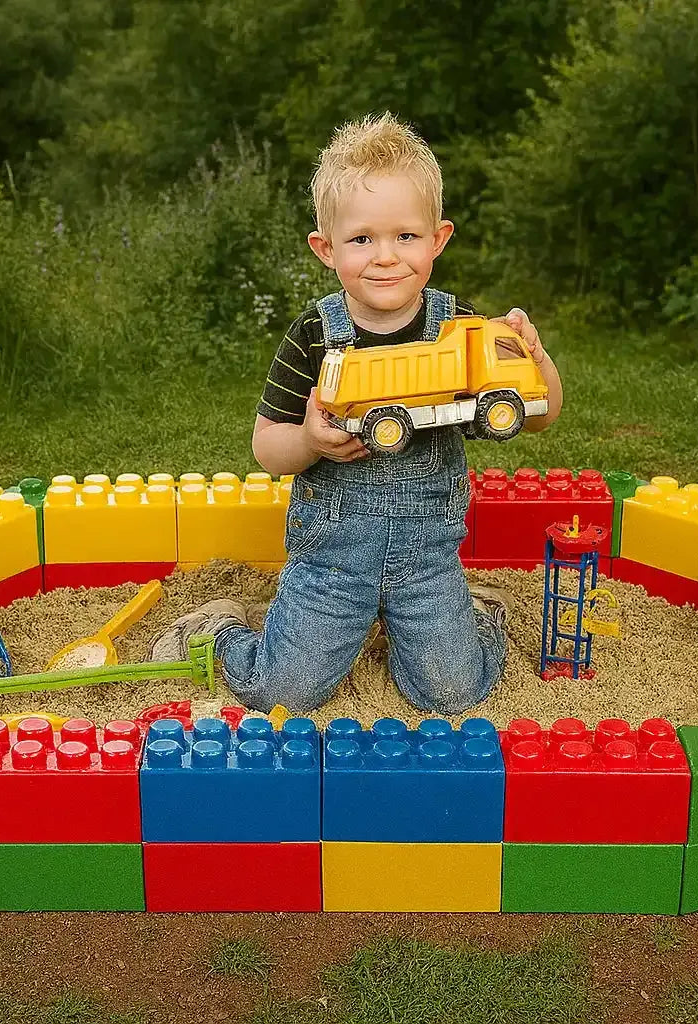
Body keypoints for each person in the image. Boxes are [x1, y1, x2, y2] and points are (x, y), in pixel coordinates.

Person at [149, 112, 563, 715]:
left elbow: (540, 413)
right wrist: (313, 440)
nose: (386, 257)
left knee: (450, 693)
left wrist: (537, 357)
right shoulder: (314, 336)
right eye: (363, 239)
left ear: (438, 239)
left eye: (406, 236)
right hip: (331, 565)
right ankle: (215, 630)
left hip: (427, 561)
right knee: (283, 691)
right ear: (327, 248)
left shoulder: (460, 327)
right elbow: (268, 448)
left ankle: (478, 614)